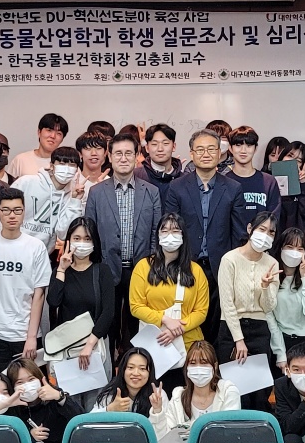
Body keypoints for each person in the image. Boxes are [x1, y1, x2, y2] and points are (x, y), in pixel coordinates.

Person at [86, 132, 160, 351]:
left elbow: (156, 232)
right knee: (106, 324)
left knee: (136, 326)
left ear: (137, 156)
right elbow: (90, 231)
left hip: (141, 269)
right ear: (109, 157)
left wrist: (152, 264)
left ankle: (133, 364)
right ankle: (108, 367)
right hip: (106, 268)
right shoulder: (96, 192)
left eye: (129, 153)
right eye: (118, 153)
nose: (123, 158)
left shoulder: (151, 192)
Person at [0, 188, 52, 376]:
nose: (12, 215)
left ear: (24, 212)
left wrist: (31, 337)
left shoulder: (36, 247)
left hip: (25, 334)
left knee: (30, 387)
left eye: (17, 210)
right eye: (6, 210)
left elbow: (39, 295)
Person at [129, 214, 210, 385]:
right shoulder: (143, 266)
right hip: (155, 346)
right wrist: (164, 320)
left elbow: (201, 312)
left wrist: (177, 329)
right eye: (164, 231)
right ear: (158, 236)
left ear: (183, 235)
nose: (169, 235)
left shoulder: (196, 270)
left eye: (175, 231)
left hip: (189, 348)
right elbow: (136, 306)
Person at [218, 211, 280, 411]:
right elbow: (227, 303)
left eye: (271, 232)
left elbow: (269, 307)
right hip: (231, 329)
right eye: (262, 229)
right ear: (250, 228)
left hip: (259, 329)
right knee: (234, 393)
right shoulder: (230, 259)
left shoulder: (272, 263)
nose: (266, 235)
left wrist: (265, 287)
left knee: (260, 394)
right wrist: (239, 339)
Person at [46, 218, 115, 396]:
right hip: (66, 347)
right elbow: (53, 302)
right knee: (69, 401)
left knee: (95, 401)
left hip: (94, 345)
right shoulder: (61, 271)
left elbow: (108, 312)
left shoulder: (102, 271)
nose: (82, 243)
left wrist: (89, 344)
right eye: (77, 238)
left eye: (87, 238)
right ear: (69, 241)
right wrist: (61, 269)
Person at [164, 130, 239, 287]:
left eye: (211, 149)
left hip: (221, 268)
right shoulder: (177, 187)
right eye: (200, 150)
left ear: (219, 153)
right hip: (185, 265)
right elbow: (170, 228)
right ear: (192, 154)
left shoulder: (233, 188)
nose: (206, 154)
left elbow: (238, 234)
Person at [149, 340, 241, 436]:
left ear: (215, 366)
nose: (198, 368)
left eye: (204, 362)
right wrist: (158, 411)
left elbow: (230, 431)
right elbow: (164, 437)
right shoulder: (178, 396)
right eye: (193, 363)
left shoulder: (227, 391)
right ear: (187, 368)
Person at [268, 228, 305, 368]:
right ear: (281, 248)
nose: (294, 252)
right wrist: (280, 353)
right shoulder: (271, 277)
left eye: (300, 249)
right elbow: (270, 317)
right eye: (289, 247)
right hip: (281, 340)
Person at [19, 146, 86, 250]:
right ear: (51, 165)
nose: (67, 169)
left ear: (77, 170)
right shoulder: (26, 182)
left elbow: (63, 234)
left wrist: (75, 201)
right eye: (62, 164)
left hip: (43, 253)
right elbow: (3, 214)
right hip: (15, 245)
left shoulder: (72, 194)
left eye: (72, 165)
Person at [226, 126, 282, 240]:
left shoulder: (269, 182)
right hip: (232, 247)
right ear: (230, 148)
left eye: (249, 145)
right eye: (238, 145)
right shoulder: (224, 182)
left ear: (255, 148)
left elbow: (273, 219)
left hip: (261, 244)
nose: (243, 150)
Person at [95, 347, 158, 418]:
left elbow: (164, 425)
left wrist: (158, 411)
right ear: (122, 370)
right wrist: (109, 409)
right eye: (130, 367)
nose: (136, 373)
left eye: (142, 368)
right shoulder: (110, 394)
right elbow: (89, 420)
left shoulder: (157, 395)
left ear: (150, 373)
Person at [277, 141, 305, 234]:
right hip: (275, 235)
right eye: (290, 156)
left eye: (298, 160)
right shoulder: (270, 181)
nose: (292, 161)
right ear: (282, 157)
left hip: (298, 237)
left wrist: (303, 185)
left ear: (303, 164)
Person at [7, 112, 68, 179]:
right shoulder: (20, 160)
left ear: (62, 139)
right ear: (39, 132)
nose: (53, 136)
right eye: (49, 130)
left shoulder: (67, 164)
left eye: (59, 133)